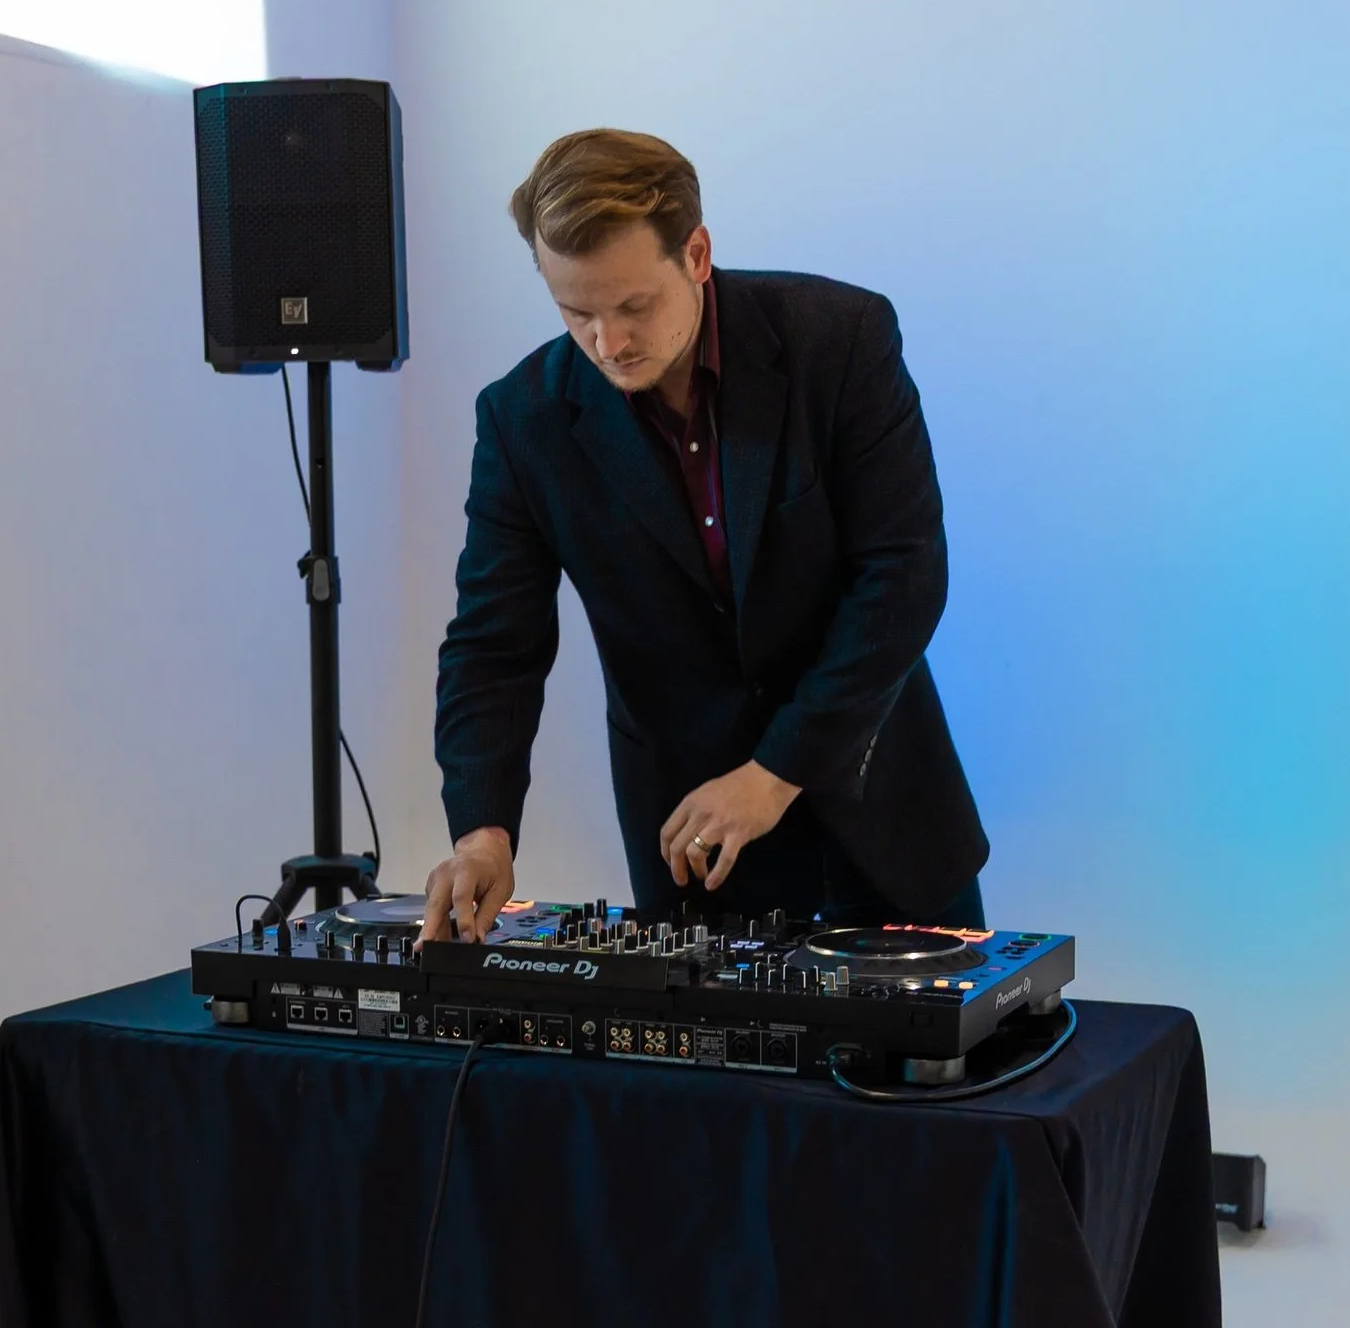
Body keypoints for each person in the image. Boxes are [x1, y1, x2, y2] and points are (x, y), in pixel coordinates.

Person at [419, 129, 987, 945]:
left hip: (885, 812)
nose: (607, 344)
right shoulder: (520, 420)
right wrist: (483, 829)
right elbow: (492, 647)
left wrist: (773, 772)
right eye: (575, 312)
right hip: (692, 858)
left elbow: (903, 577)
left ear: (696, 253)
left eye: (633, 307)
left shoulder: (843, 339)